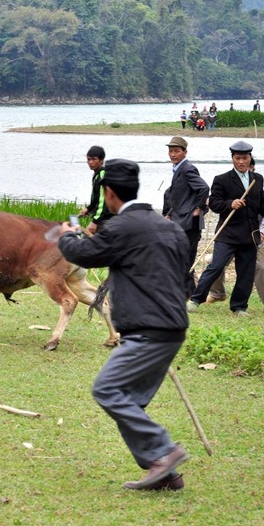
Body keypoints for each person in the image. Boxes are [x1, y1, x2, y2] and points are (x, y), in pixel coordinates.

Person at [57, 159, 191, 491]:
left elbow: (86, 254)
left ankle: (165, 452)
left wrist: (67, 236)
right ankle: (163, 471)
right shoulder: (169, 227)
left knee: (107, 389)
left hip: (148, 330)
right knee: (130, 402)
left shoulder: (122, 227)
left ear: (109, 193)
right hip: (172, 328)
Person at [187, 141, 264, 316]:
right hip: (227, 233)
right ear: (232, 159)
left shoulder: (257, 179)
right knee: (216, 265)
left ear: (250, 158)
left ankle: (239, 307)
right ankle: (196, 299)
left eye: (245, 158)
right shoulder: (221, 179)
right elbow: (214, 203)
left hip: (249, 234)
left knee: (245, 272)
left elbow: (262, 204)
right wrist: (231, 203)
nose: (241, 162)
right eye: (238, 158)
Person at [206, 158, 264, 314]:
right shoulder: (229, 183)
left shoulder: (260, 186)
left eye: (249, 166)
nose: (244, 168)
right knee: (216, 263)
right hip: (232, 236)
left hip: (254, 236)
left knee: (260, 269)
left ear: (252, 168)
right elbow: (217, 203)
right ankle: (218, 293)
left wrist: (262, 232)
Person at [161, 136, 209, 298]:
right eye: (170, 151)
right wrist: (169, 214)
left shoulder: (187, 169)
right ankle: (188, 293)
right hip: (180, 221)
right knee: (181, 257)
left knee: (185, 258)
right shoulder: (178, 168)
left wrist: (199, 208)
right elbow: (180, 198)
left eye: (176, 151)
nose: (173, 154)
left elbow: (204, 188)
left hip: (189, 224)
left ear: (184, 152)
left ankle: (186, 294)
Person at [78, 145, 112, 234]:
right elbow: (96, 197)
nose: (90, 162)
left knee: (86, 243)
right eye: (88, 159)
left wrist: (95, 222)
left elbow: (103, 200)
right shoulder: (97, 174)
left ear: (101, 160)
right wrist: (88, 209)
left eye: (94, 159)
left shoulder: (102, 174)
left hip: (106, 219)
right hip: (103, 218)